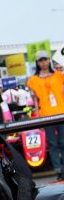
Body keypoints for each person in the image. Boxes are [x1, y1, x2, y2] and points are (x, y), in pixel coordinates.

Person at [26, 49, 64, 178]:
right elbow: (35, 101)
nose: (44, 62)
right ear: (37, 62)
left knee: (63, 142)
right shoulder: (33, 80)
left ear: (49, 60)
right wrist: (38, 118)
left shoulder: (59, 75)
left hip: (61, 113)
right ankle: (58, 170)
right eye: (41, 60)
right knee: (52, 144)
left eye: (45, 59)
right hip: (46, 115)